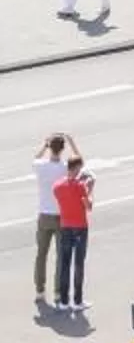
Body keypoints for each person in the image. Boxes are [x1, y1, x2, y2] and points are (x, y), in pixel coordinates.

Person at [31, 131, 68, 307]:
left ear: (50, 148)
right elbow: (80, 162)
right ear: (62, 149)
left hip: (44, 215)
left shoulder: (41, 166)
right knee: (61, 256)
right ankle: (58, 292)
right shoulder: (65, 167)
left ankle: (40, 290)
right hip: (61, 215)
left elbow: (35, 158)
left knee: (41, 254)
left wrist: (44, 146)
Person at [52, 148, 91, 312]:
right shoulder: (80, 186)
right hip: (80, 227)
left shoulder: (57, 186)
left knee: (65, 264)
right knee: (78, 264)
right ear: (76, 168)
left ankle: (63, 301)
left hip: (65, 226)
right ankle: (77, 300)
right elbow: (88, 206)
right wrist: (89, 188)